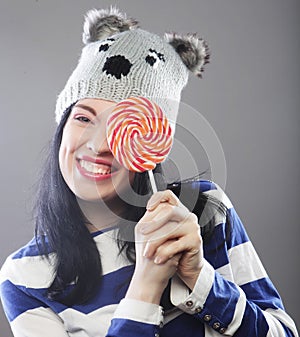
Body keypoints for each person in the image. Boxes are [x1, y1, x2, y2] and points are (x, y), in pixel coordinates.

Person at [0, 7, 298, 337]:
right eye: (83, 118)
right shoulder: (23, 277)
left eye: (125, 127)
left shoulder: (207, 209)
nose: (99, 145)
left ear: (152, 146)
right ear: (63, 126)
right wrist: (146, 283)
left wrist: (202, 280)